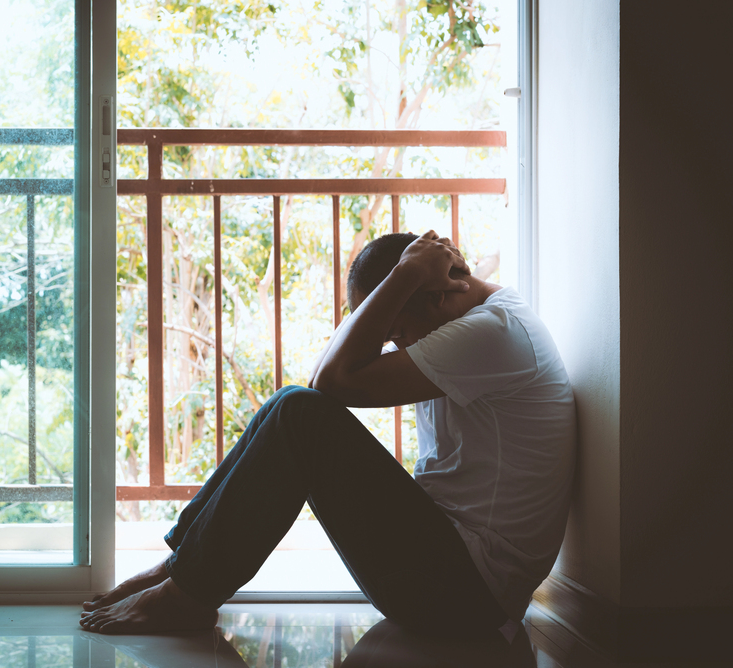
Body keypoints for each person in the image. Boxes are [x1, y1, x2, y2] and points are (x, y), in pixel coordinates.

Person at [80, 230, 576, 640]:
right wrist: (400, 287)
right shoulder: (472, 320)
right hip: (451, 574)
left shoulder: (494, 334)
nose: (393, 345)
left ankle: (186, 595)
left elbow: (328, 384)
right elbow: (321, 378)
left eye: (394, 331)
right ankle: (181, 568)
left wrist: (404, 274)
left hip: (467, 596)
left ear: (436, 294)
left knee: (299, 412)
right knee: (288, 404)